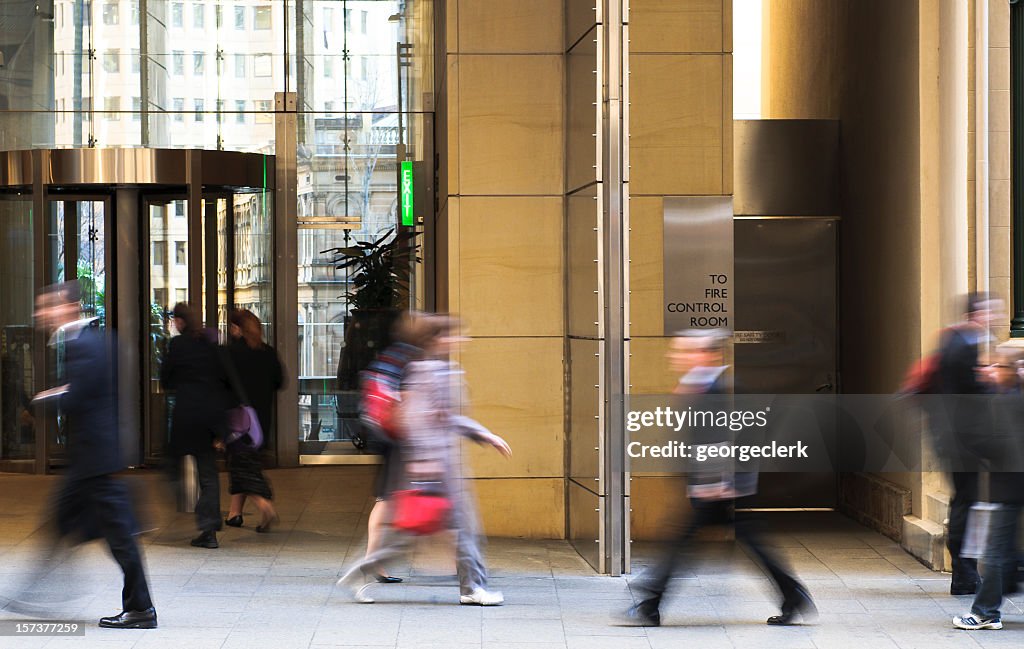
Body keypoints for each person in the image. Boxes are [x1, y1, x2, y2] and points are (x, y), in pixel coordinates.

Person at [625, 329, 815, 627]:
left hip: (721, 486)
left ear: (707, 355)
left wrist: (717, 482)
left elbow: (726, 436)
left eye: (685, 351)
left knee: (682, 542)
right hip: (719, 484)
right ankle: (793, 595)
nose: (675, 357)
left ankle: (650, 602)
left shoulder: (721, 389)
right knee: (747, 541)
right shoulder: (704, 386)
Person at [336, 313, 512, 605]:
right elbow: (416, 421)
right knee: (431, 534)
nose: (461, 340)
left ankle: (471, 589)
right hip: (434, 468)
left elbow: (449, 417)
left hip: (444, 467)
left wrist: (484, 435)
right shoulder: (426, 372)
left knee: (437, 533)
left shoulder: (445, 370)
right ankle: (471, 589)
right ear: (437, 340)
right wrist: (426, 466)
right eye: (455, 334)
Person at [30, 282, 157, 629]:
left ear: (67, 307)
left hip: (95, 459)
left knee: (120, 537)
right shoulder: (102, 339)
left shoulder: (81, 345)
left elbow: (78, 396)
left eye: (46, 307)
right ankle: (37, 591)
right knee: (63, 524)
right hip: (94, 456)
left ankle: (141, 609)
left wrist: (45, 398)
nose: (41, 315)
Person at [935, 292, 1005, 595]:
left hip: (953, 439)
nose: (997, 318)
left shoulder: (953, 341)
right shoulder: (964, 345)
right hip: (963, 440)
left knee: (963, 500)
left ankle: (964, 575)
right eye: (992, 312)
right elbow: (969, 394)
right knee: (965, 501)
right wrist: (993, 383)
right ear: (976, 314)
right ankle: (964, 575)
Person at [952, 345, 1024, 631]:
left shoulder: (1006, 403)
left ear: (1012, 371)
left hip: (1009, 487)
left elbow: (992, 445)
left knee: (995, 552)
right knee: (1000, 551)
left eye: (996, 366)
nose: (989, 371)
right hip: (1010, 486)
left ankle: (985, 612)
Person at [160, 302, 227, 549]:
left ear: (180, 321)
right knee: (208, 474)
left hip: (186, 415)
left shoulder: (178, 345)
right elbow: (222, 381)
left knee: (171, 463)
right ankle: (209, 529)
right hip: (209, 418)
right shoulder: (210, 347)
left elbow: (166, 377)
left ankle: (180, 501)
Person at [223, 309, 283, 532]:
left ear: (237, 328)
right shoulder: (268, 352)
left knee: (241, 465)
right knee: (244, 463)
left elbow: (223, 386)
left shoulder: (231, 353)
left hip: (238, 419)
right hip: (261, 419)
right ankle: (234, 513)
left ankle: (263, 504)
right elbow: (280, 381)